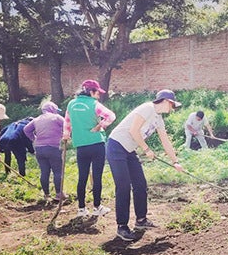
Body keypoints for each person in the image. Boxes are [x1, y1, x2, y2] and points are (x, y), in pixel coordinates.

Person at [106, 89, 184, 241]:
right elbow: (133, 130)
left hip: (129, 150)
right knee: (123, 187)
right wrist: (147, 149)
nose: (172, 109)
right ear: (166, 101)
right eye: (172, 105)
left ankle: (141, 220)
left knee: (140, 184)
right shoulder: (147, 108)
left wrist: (175, 162)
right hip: (116, 146)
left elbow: (165, 141)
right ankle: (122, 226)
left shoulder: (158, 119)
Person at [62, 79, 116, 218]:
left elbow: (67, 122)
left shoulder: (71, 104)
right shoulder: (94, 104)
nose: (99, 95)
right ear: (91, 92)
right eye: (97, 93)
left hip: (81, 146)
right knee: (96, 177)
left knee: (82, 177)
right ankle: (97, 207)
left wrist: (66, 136)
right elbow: (111, 116)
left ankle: (81, 209)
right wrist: (101, 126)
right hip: (96, 144)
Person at [23, 101, 65, 202]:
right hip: (53, 147)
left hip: (39, 148)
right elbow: (68, 126)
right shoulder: (57, 118)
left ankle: (46, 195)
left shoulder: (37, 119)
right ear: (53, 109)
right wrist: (64, 135)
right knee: (57, 171)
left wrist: (34, 138)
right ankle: (59, 194)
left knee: (44, 171)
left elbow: (26, 129)